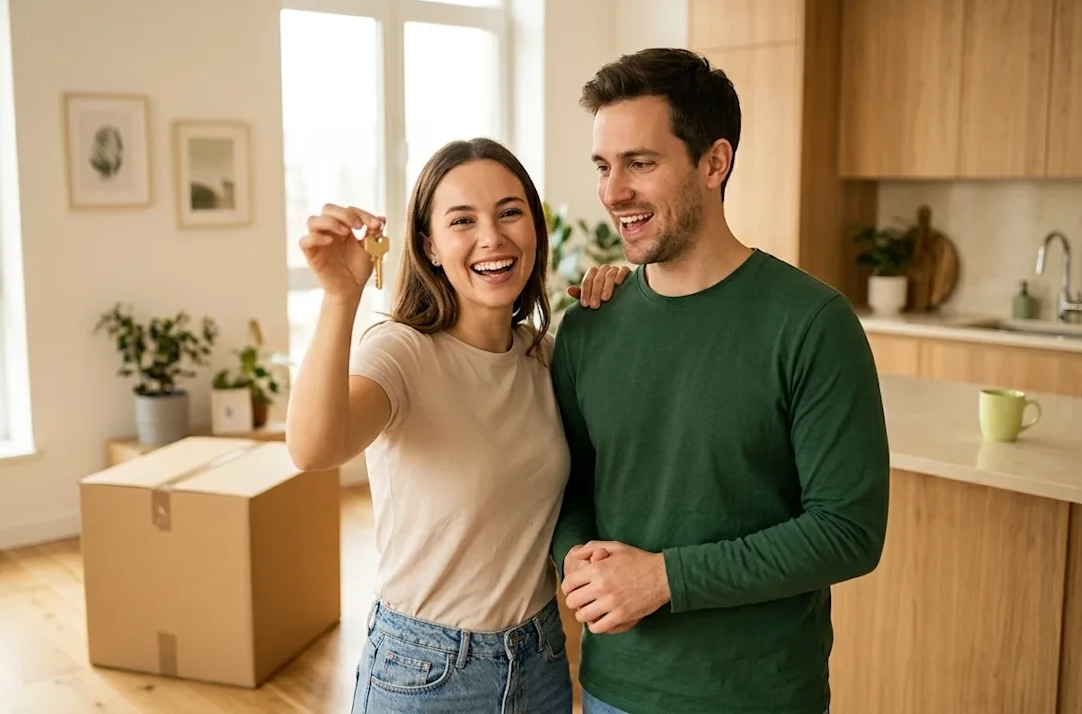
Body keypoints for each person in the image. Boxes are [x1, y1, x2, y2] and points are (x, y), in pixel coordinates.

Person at [550, 48, 891, 714]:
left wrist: (664, 578)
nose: (613, 192)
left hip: (757, 695)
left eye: (640, 164)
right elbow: (568, 486)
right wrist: (576, 560)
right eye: (603, 166)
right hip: (613, 690)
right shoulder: (589, 325)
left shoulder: (811, 322)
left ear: (714, 162)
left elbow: (849, 529)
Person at [284, 137, 628, 714]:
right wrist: (339, 298)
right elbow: (313, 449)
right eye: (462, 220)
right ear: (431, 247)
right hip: (426, 671)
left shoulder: (546, 357)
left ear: (535, 232)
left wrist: (626, 297)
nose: (491, 237)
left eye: (510, 212)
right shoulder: (403, 353)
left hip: (541, 658)